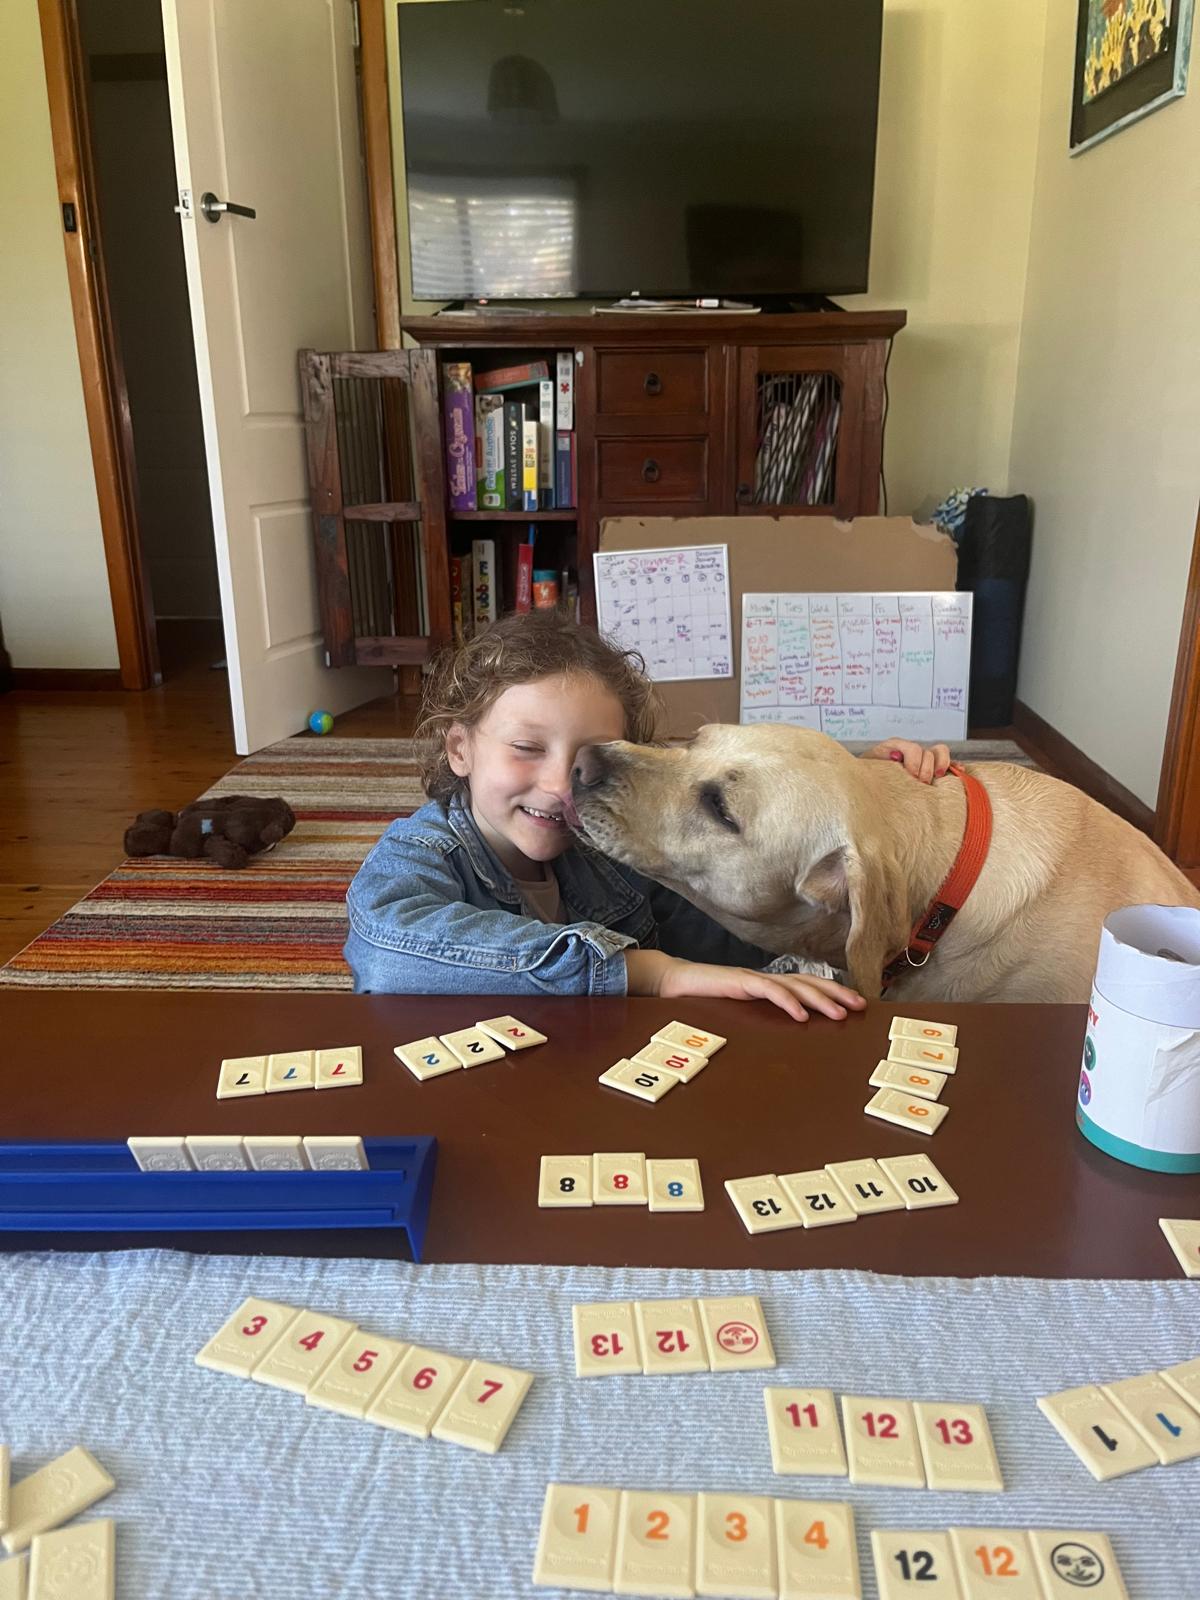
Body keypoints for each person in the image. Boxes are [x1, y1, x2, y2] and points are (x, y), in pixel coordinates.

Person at [345, 611, 951, 1018]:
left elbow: (744, 934)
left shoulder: (608, 850)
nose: (561, 786)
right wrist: (647, 975)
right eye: (527, 749)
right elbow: (386, 951)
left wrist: (855, 794)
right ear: (459, 749)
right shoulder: (421, 854)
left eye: (586, 762)